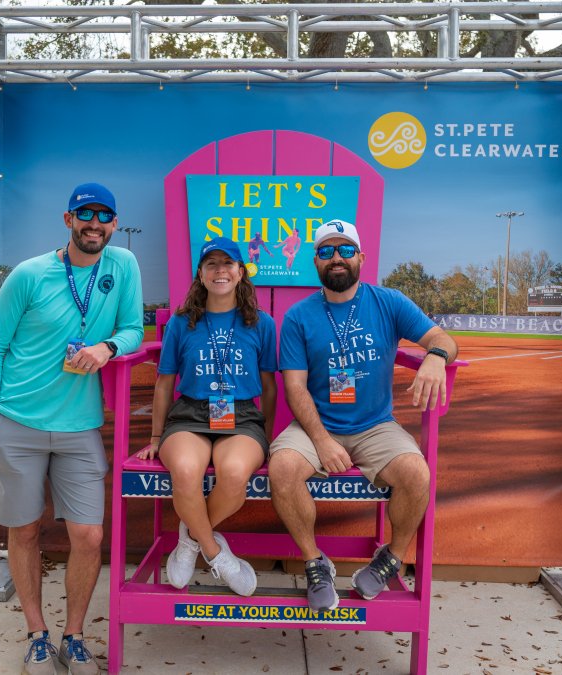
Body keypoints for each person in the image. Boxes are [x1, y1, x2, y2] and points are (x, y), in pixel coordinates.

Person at [0, 182, 143, 675]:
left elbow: (133, 328)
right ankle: (37, 635)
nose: (95, 224)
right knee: (25, 530)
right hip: (17, 421)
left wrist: (107, 348)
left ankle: (74, 636)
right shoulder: (29, 275)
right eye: (85, 214)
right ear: (68, 219)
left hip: (79, 427)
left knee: (88, 536)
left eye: (104, 216)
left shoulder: (123, 265)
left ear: (114, 224)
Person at [268, 219, 458, 612]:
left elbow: (442, 338)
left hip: (375, 425)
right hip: (316, 425)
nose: (336, 258)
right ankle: (314, 562)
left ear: (361, 257)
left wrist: (436, 357)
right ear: (316, 261)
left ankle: (392, 557)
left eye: (345, 250)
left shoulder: (389, 301)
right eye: (326, 251)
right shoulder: (299, 316)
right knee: (282, 468)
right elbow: (295, 387)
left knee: (416, 473)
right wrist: (322, 440)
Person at [134, 236, 277, 597]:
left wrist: (268, 437)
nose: (219, 271)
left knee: (234, 473)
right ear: (200, 274)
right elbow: (164, 383)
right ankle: (215, 553)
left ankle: (190, 538)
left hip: (242, 417)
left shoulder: (261, 323)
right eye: (211, 264)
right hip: (190, 415)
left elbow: (269, 386)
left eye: (227, 263)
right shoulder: (182, 323)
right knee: (185, 470)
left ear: (241, 272)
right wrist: (156, 437)